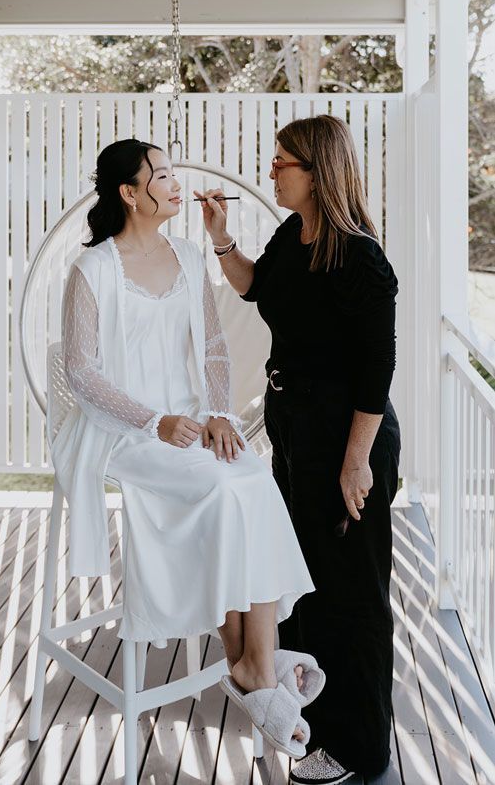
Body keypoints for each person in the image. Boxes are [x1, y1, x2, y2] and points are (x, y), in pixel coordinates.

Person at [53, 137, 323, 759]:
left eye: (175, 172)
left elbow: (214, 350)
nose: (178, 183)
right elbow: (84, 374)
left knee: (250, 476)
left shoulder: (186, 253)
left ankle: (254, 660)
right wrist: (157, 419)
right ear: (129, 192)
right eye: (164, 175)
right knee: (226, 486)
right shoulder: (91, 270)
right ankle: (256, 663)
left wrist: (220, 415)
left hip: (193, 423)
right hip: (122, 431)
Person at [198, 115, 401, 784]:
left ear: (315, 171)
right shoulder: (296, 235)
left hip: (347, 442)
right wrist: (222, 239)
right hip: (295, 433)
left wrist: (354, 461)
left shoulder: (359, 254)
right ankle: (319, 720)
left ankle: (360, 748)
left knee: (353, 594)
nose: (271, 170)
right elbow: (257, 287)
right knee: (308, 583)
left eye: (281, 161)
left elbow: (376, 370)